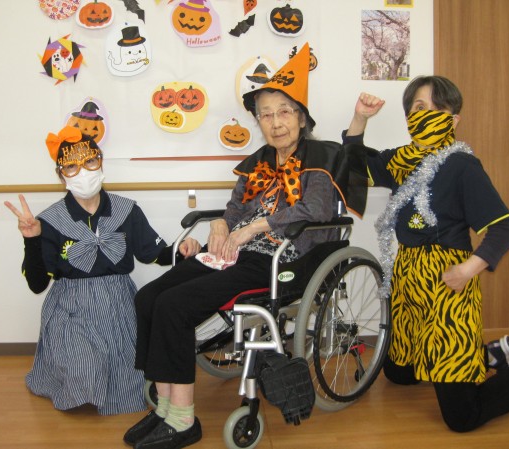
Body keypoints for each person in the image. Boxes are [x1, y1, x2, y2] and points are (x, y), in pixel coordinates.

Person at [124, 43, 361, 449]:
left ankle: (183, 420)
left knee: (175, 306)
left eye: (284, 111)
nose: (275, 122)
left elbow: (317, 209)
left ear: (301, 117)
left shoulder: (321, 159)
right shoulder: (259, 163)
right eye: (266, 114)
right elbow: (234, 209)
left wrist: (255, 228)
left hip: (282, 261)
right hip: (233, 255)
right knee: (148, 297)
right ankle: (164, 407)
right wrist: (221, 223)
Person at [342, 75, 509, 432]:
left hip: (448, 283)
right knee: (398, 373)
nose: (426, 114)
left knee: (462, 416)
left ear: (453, 120)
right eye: (418, 107)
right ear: (409, 117)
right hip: (408, 281)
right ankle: (489, 354)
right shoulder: (401, 161)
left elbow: (505, 228)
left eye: (436, 109)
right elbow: (353, 167)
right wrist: (360, 117)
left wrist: (467, 270)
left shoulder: (462, 166)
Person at [4, 126, 200, 415]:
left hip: (119, 304)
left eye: (90, 161)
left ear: (101, 162)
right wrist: (32, 239)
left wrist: (183, 249)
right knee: (84, 370)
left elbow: (154, 254)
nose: (83, 171)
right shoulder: (49, 220)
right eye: (71, 166)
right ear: (61, 175)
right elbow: (36, 284)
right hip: (71, 308)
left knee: (134, 375)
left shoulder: (126, 210)